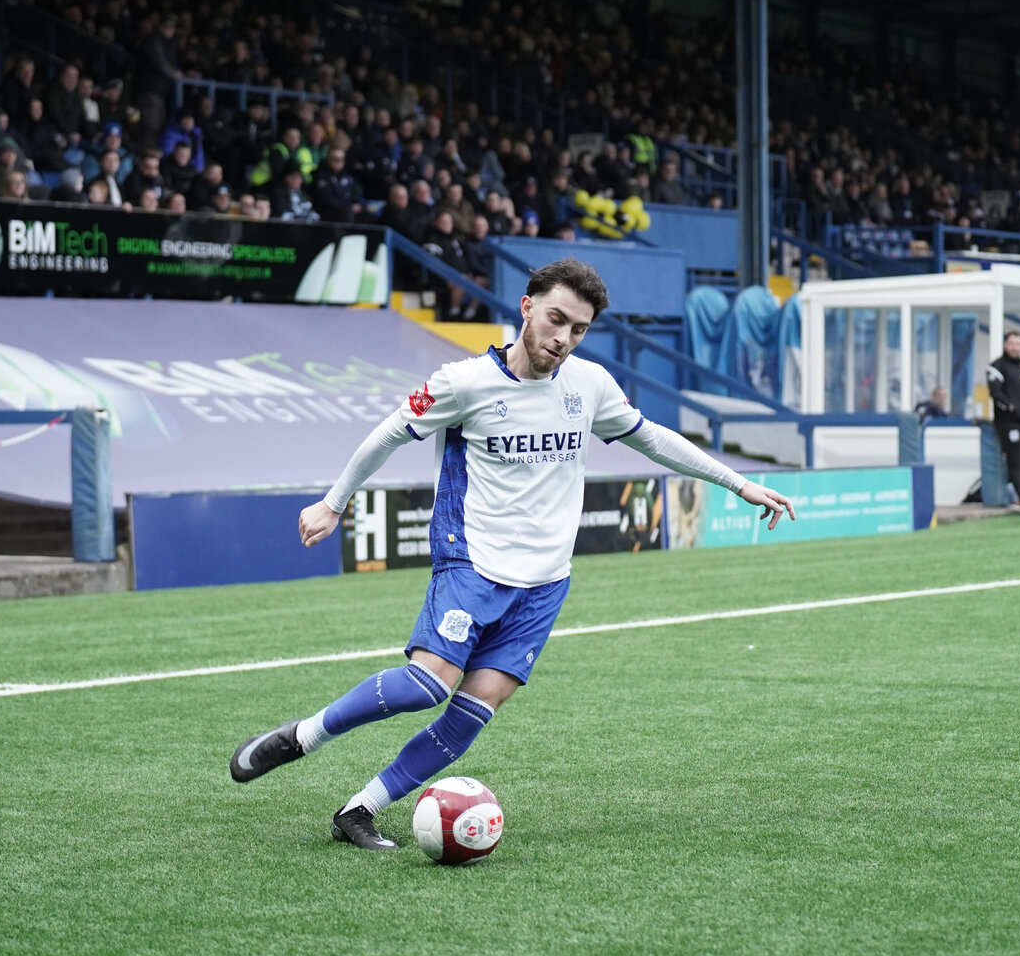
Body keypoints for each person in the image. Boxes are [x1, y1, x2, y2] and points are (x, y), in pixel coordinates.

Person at [227, 259, 796, 850]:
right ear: (526, 307)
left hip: (546, 583)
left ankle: (361, 809)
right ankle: (302, 737)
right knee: (426, 685)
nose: (564, 338)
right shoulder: (464, 382)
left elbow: (652, 438)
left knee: (475, 709)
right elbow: (391, 432)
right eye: (556, 319)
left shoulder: (590, 385)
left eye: (579, 329)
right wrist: (333, 502)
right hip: (472, 561)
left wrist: (739, 483)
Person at [987, 330, 1020, 513]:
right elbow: (996, 393)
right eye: (1012, 344)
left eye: (1018, 344)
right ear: (1005, 345)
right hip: (1009, 423)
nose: (1015, 348)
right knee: (1015, 462)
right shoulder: (997, 367)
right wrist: (1010, 407)